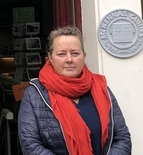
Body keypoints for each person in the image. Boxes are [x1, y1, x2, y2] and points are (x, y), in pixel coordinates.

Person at [18, 26, 131, 155]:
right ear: (50, 58)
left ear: (84, 56)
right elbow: (30, 144)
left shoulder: (102, 89)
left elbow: (121, 138)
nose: (69, 59)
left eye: (75, 53)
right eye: (61, 54)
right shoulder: (34, 94)